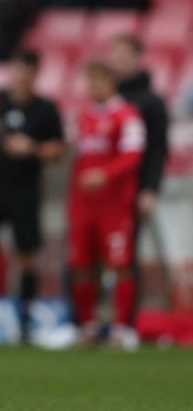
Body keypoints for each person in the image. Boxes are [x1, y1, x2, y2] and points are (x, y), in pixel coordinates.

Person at [0, 51, 64, 342]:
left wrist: (31, 148)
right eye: (18, 70)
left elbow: (58, 150)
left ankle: (24, 322)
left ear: (35, 74)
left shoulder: (46, 109)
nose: (22, 77)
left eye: (27, 72)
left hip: (26, 191)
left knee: (26, 258)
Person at [68, 60, 145, 351]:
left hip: (114, 205)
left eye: (98, 81)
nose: (93, 87)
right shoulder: (84, 116)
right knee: (82, 266)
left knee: (120, 265)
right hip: (84, 205)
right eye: (90, 81)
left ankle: (122, 329)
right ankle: (88, 326)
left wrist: (105, 174)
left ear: (111, 82)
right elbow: (79, 162)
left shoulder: (127, 115)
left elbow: (133, 156)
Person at [108, 34, 169, 327]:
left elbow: (158, 149)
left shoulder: (150, 103)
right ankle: (89, 320)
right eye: (114, 55)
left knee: (125, 256)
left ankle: (127, 322)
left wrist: (150, 189)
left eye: (123, 55)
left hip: (131, 189)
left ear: (136, 57)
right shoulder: (105, 99)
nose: (117, 61)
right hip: (102, 191)